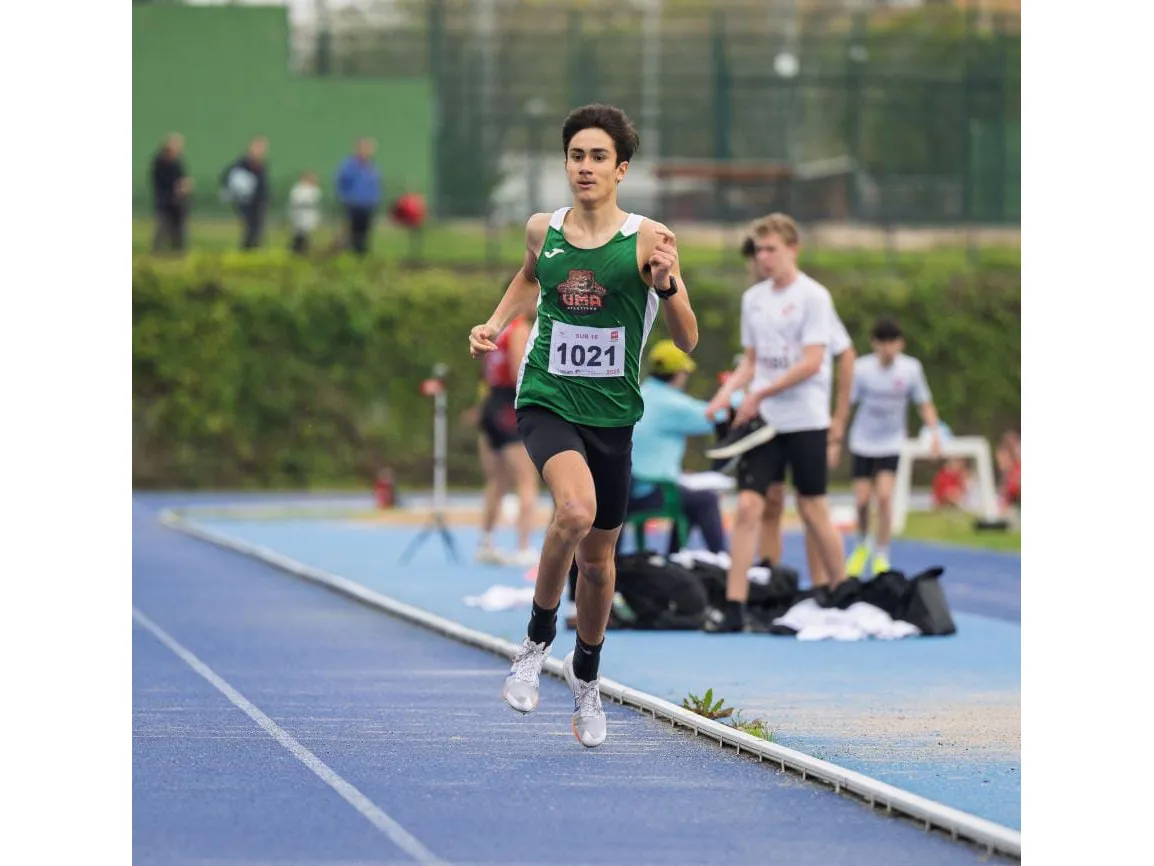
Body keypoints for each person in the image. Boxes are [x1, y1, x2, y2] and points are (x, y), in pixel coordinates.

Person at [468, 103, 698, 748]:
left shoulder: (651, 240)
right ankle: (535, 641)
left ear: (622, 169)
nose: (586, 167)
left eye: (599, 157)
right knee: (573, 509)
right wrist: (497, 323)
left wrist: (667, 283)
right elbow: (528, 278)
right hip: (547, 397)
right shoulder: (544, 229)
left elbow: (688, 338)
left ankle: (587, 677)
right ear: (564, 163)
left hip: (613, 415)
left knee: (598, 565)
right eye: (576, 156)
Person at [703, 213, 847, 631]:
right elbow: (751, 362)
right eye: (760, 250)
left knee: (811, 505)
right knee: (749, 505)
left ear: (792, 249)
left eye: (772, 249)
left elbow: (813, 361)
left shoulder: (814, 297)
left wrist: (760, 392)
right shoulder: (754, 300)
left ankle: (839, 591)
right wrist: (723, 396)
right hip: (764, 423)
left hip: (805, 418)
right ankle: (734, 605)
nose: (764, 257)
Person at [843, 316, 942, 576]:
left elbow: (924, 402)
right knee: (862, 499)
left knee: (885, 497)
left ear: (901, 344)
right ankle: (862, 542)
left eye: (892, 343)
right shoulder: (862, 369)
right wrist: (834, 435)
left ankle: (881, 552)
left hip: (891, 442)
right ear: (874, 344)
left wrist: (935, 433)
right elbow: (847, 403)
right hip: (863, 441)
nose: (887, 348)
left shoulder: (910, 369)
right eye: (882, 343)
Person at [622, 339, 728, 555]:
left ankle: (675, 558)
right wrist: (734, 390)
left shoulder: (639, 393)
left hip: (626, 488)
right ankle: (723, 562)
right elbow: (718, 416)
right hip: (649, 491)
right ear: (679, 373)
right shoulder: (671, 404)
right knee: (705, 500)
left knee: (689, 497)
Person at [474, 312, 540, 567]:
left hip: (491, 402)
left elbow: (486, 371)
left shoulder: (495, 329)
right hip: (509, 405)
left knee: (497, 480)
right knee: (526, 480)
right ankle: (523, 547)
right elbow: (517, 370)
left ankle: (486, 542)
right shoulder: (520, 328)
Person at [220, 137, 270, 250]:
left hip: (259, 202)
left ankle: (253, 250)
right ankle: (246, 250)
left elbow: (263, 185)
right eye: (258, 148)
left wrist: (266, 198)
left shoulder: (262, 166)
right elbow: (227, 177)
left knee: (258, 229)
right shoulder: (242, 164)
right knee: (249, 228)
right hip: (246, 202)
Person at [335, 138, 382, 256]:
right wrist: (346, 198)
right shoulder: (349, 165)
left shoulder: (371, 167)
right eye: (364, 148)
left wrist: (375, 198)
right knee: (352, 233)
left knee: (365, 233)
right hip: (353, 204)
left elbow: (375, 185)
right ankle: (351, 255)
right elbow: (342, 183)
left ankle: (362, 255)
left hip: (368, 204)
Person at [149, 133, 192, 253]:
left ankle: (178, 252)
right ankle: (156, 252)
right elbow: (160, 182)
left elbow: (183, 179)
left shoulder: (178, 162)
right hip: (164, 201)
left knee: (179, 230)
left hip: (178, 203)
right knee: (162, 228)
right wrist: (177, 188)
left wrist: (185, 187)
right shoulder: (160, 162)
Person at [287, 171, 322, 256]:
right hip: (300, 215)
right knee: (299, 234)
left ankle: (304, 250)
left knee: (307, 235)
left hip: (309, 216)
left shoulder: (315, 190)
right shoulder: (298, 189)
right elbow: (295, 202)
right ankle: (296, 250)